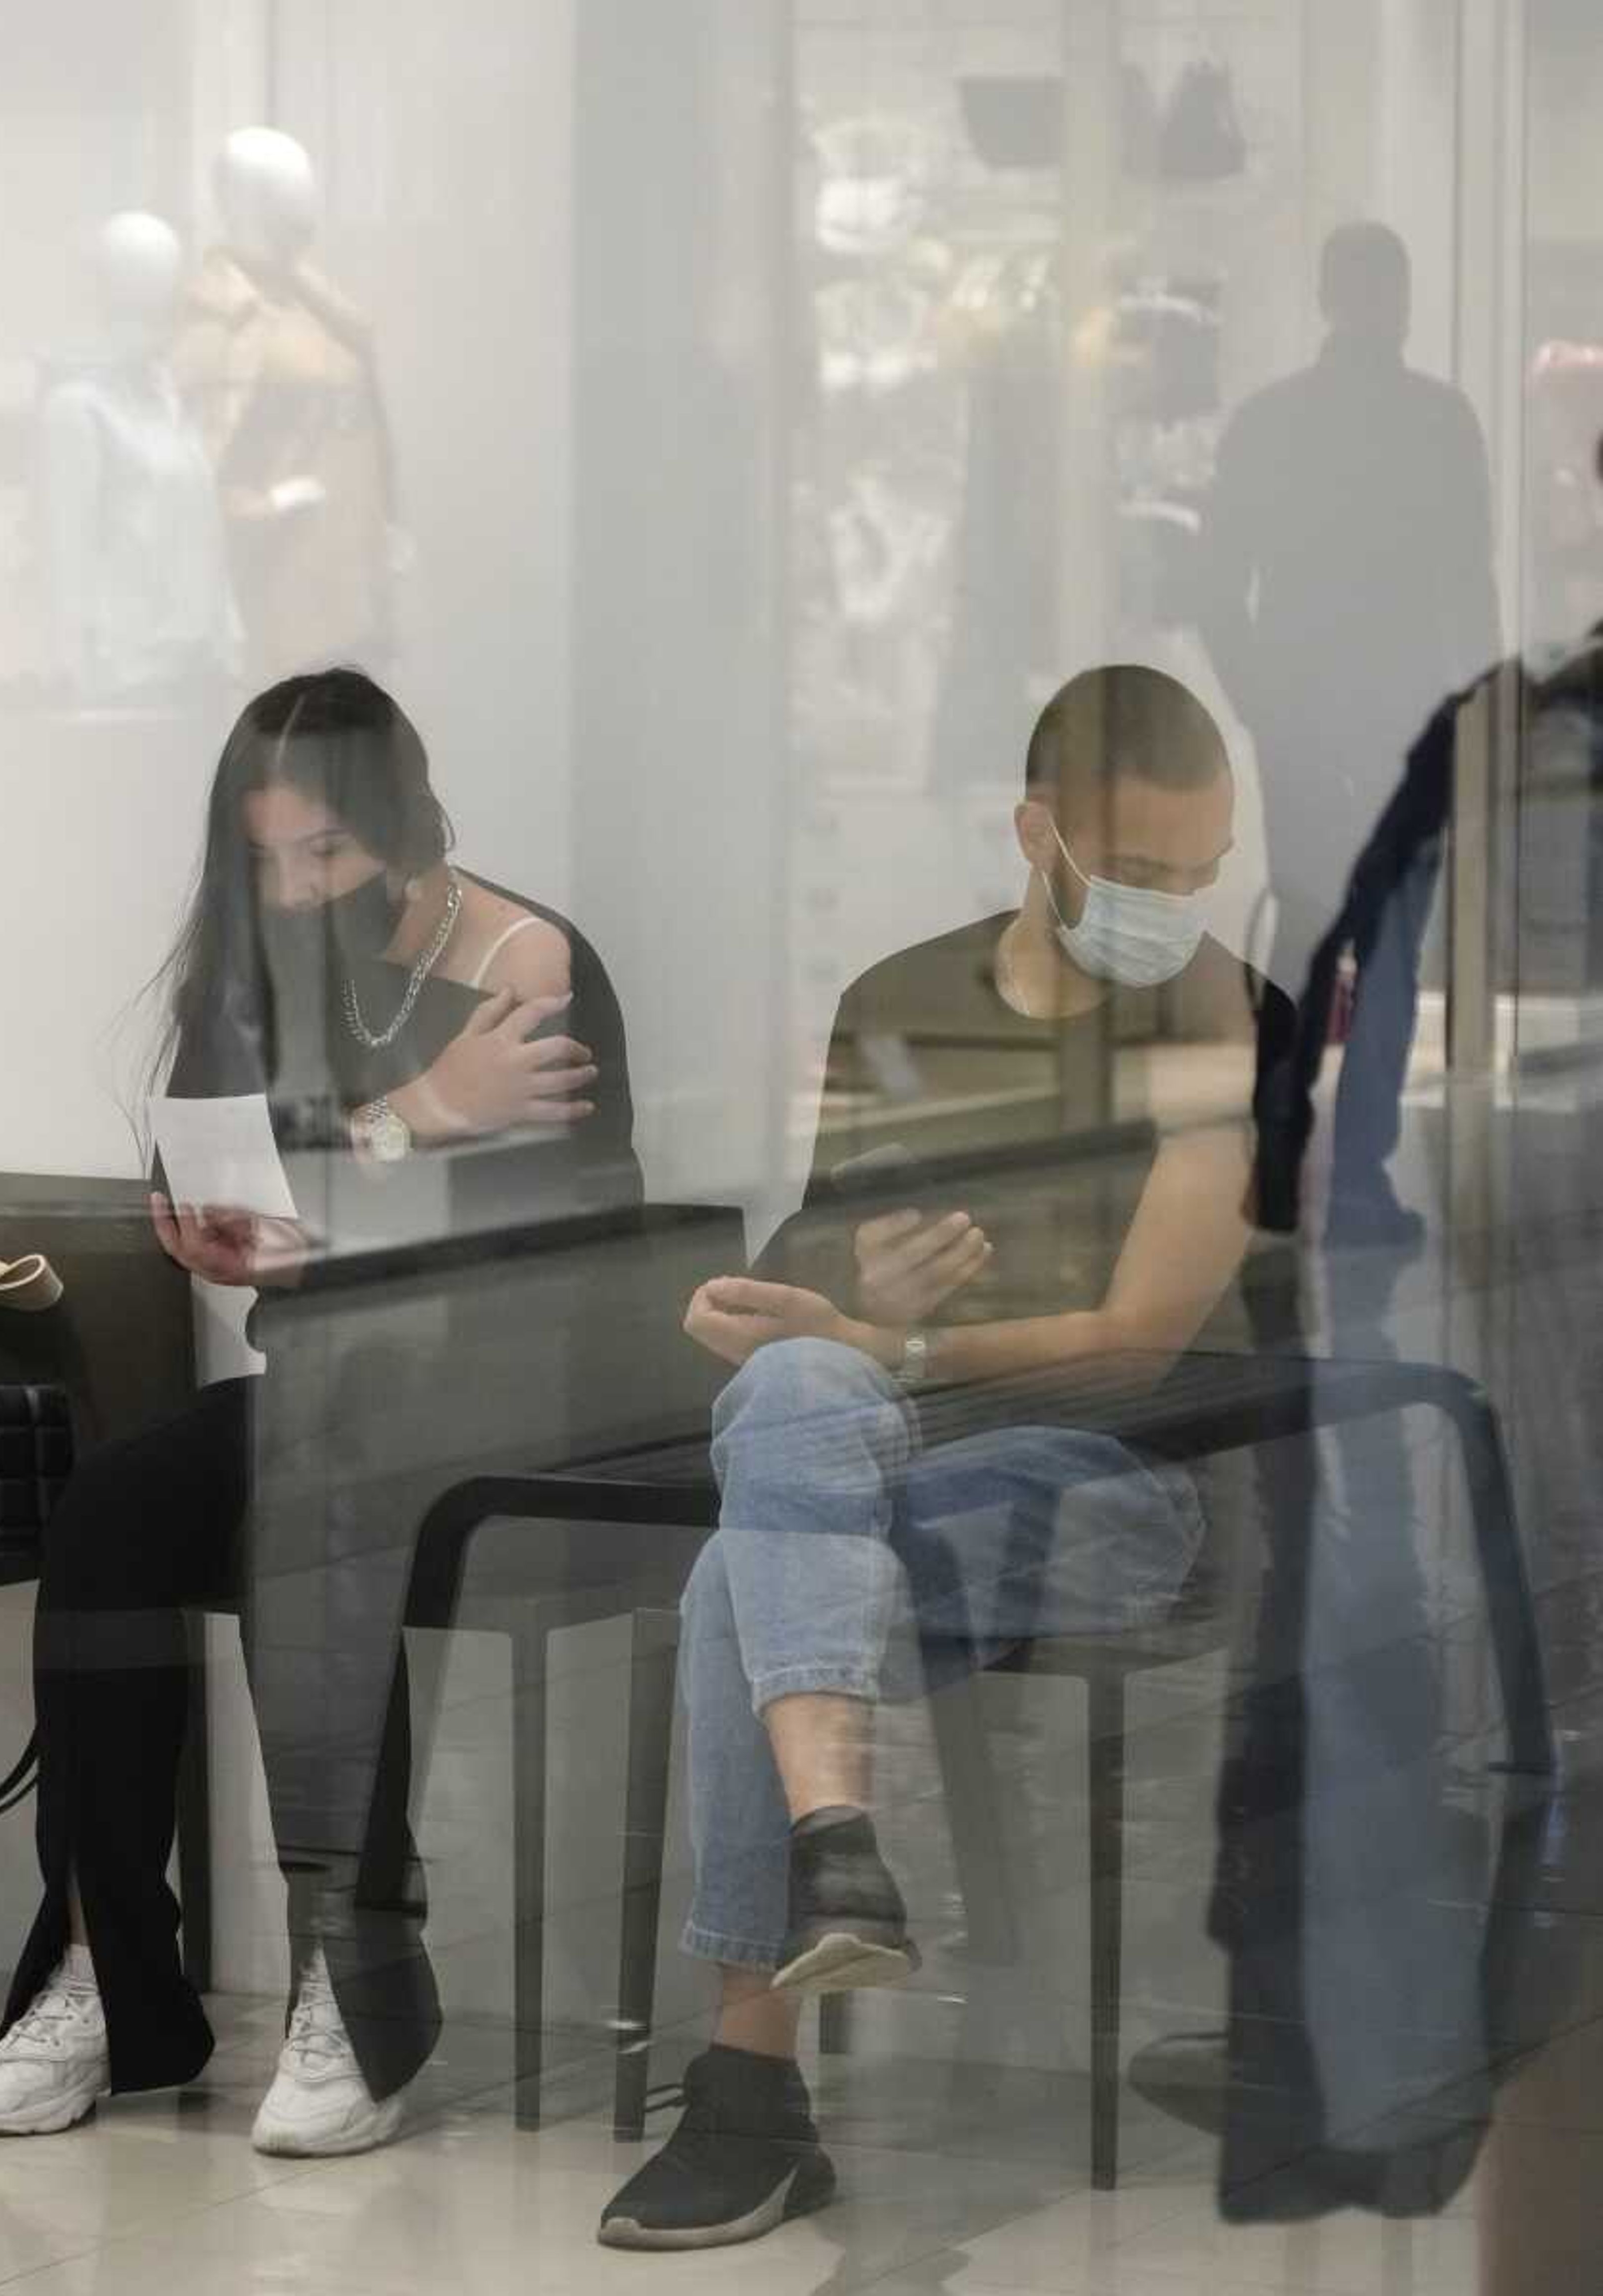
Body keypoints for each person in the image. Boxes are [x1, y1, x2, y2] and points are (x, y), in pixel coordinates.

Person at [599, 664, 1291, 2252]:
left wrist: (884, 1338)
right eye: (1140, 872)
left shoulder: (1218, 1013)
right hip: (876, 1454)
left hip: (1125, 1479)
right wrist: (780, 1305)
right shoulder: (903, 996)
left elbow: (1139, 1337)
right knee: (784, 1412)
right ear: (1036, 834)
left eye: (1202, 872)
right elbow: (820, 1258)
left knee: (741, 1564)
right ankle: (834, 1857)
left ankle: (755, 2073)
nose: (1174, 908)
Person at [0, 669, 639, 2154]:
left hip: (505, 1397)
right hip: (328, 1371)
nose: (292, 886)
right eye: (263, 857)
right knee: (119, 1499)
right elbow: (226, 1164)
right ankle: (100, 1967)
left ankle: (357, 1971)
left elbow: (571, 1261)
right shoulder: (262, 956)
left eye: (323, 853)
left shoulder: (529, 965)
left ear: (404, 822)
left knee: (313, 1477)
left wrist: (377, 1142)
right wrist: (231, 1216)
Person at [1197, 222, 1499, 1243]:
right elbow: (1471, 589)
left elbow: (1214, 585)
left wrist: (1262, 696)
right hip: (1394, 715)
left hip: (1318, 711)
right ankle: (1353, 1172)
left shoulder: (1276, 424)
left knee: (1315, 927)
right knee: (1384, 935)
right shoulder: (1438, 423)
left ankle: (1282, 1158)